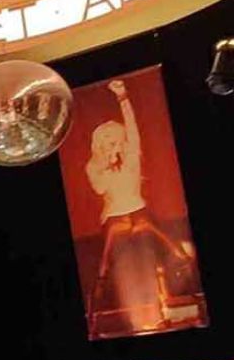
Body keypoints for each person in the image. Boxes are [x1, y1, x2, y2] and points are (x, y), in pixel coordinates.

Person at [82, 77, 200, 335]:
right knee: (118, 233)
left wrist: (123, 97)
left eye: (116, 139)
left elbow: (133, 128)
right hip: (114, 215)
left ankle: (179, 261)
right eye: (107, 141)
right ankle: (102, 280)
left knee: (145, 227)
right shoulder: (93, 166)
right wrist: (108, 163)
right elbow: (100, 189)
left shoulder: (132, 155)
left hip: (138, 209)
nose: (113, 144)